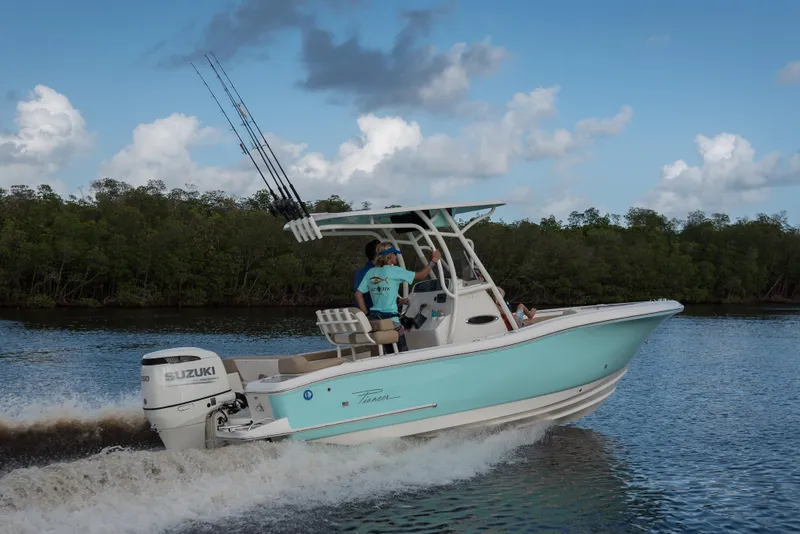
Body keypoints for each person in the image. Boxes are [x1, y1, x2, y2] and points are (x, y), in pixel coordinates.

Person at [355, 242, 441, 353]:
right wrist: (434, 260)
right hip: (392, 322)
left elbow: (358, 294)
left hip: (376, 322)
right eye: (395, 254)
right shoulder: (395, 271)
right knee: (403, 353)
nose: (396, 256)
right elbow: (422, 275)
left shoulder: (370, 272)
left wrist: (367, 315)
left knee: (389, 353)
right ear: (389, 255)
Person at [353, 239, 380, 310]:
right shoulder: (365, 273)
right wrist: (366, 314)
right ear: (376, 255)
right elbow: (358, 295)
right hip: (371, 313)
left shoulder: (381, 270)